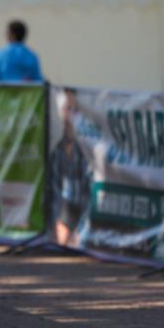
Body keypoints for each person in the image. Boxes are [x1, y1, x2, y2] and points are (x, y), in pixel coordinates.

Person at [49, 88, 92, 245]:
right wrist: (56, 224)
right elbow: (54, 193)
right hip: (65, 214)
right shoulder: (57, 152)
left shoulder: (86, 150)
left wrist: (82, 230)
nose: (68, 114)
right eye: (65, 108)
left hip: (84, 216)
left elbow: (91, 195)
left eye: (72, 108)